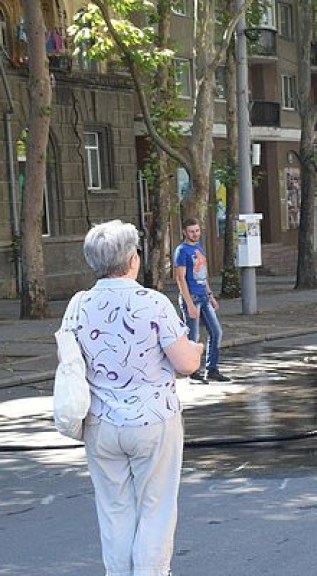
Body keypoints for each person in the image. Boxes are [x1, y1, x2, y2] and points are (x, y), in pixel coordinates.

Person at [77, 219, 204, 576]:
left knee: (114, 509)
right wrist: (195, 350)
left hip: (100, 422)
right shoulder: (152, 302)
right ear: (131, 259)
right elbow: (184, 363)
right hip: (153, 422)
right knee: (155, 507)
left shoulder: (79, 305)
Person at [174, 217, 231, 383]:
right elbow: (180, 278)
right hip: (191, 297)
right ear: (184, 232)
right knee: (194, 336)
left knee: (216, 331)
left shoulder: (199, 247)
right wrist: (189, 304)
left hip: (203, 297)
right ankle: (192, 372)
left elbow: (202, 274)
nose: (195, 234)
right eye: (191, 231)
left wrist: (210, 295)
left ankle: (211, 369)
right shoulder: (182, 251)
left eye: (197, 231)